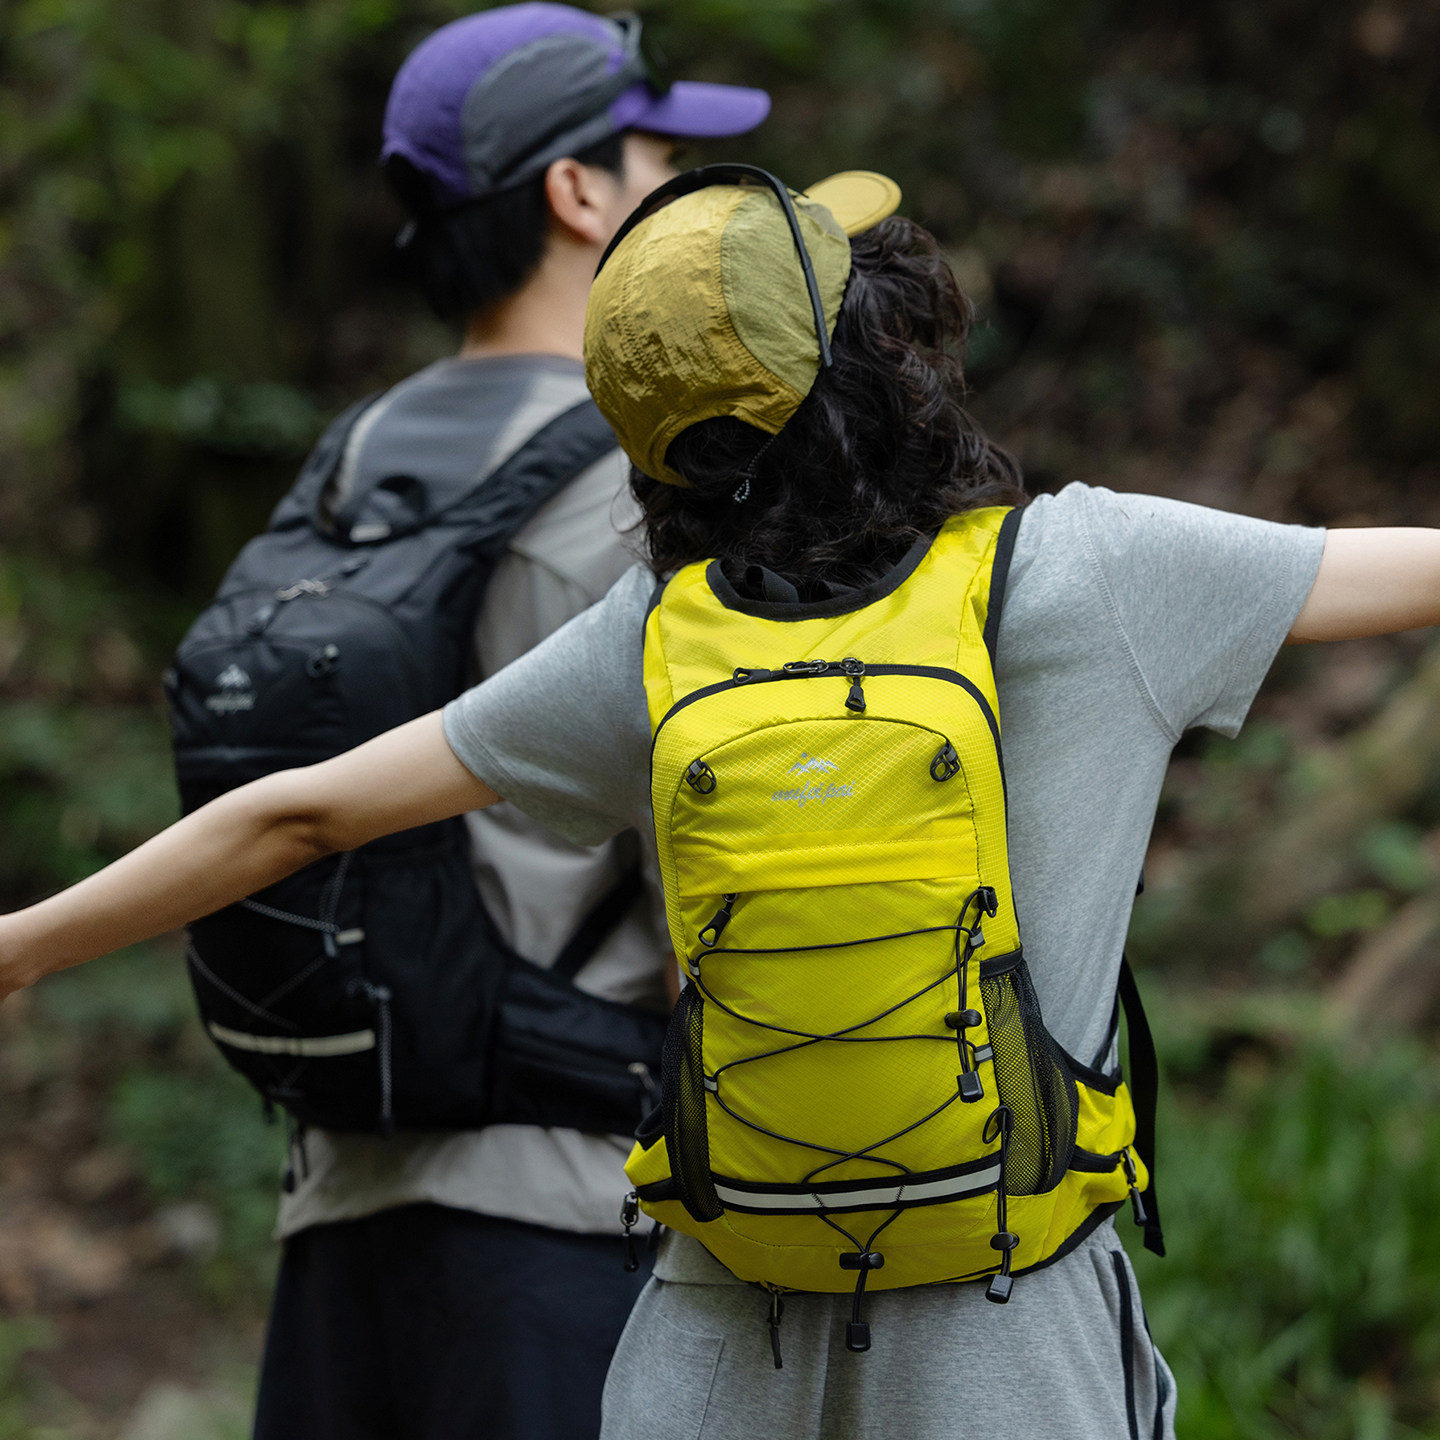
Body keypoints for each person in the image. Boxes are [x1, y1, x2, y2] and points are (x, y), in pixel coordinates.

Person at [3, 164, 1437, 1440]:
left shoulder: (654, 641)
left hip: (716, 1336)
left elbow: (297, 817)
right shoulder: (1087, 577)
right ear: (893, 353)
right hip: (1011, 1341)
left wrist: (25, 945)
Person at [214, 10, 769, 1439]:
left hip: (339, 1208)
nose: (682, 187)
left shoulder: (346, 463)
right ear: (578, 196)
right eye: (658, 154)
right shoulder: (648, 483)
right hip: (570, 1234)